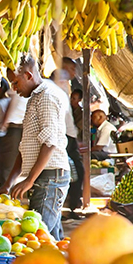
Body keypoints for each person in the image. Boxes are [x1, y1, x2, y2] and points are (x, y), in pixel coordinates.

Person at [0, 55, 70, 240]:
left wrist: (29, 180)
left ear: (29, 75)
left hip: (50, 177)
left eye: (15, 82)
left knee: (36, 237)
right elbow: (27, 147)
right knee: (49, 238)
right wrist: (8, 184)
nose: (13, 88)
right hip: (44, 177)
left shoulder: (47, 97)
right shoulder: (34, 97)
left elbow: (50, 142)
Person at [50, 70, 84, 212]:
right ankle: (68, 204)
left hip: (69, 137)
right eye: (64, 81)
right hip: (62, 137)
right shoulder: (53, 94)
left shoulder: (62, 95)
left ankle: (73, 204)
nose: (67, 84)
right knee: (68, 172)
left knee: (78, 172)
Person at [0, 83, 28, 187]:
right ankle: (7, 189)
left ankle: (5, 192)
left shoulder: (21, 84)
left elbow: (13, 104)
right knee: (10, 163)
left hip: (16, 127)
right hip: (20, 127)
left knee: (7, 163)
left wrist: (4, 122)